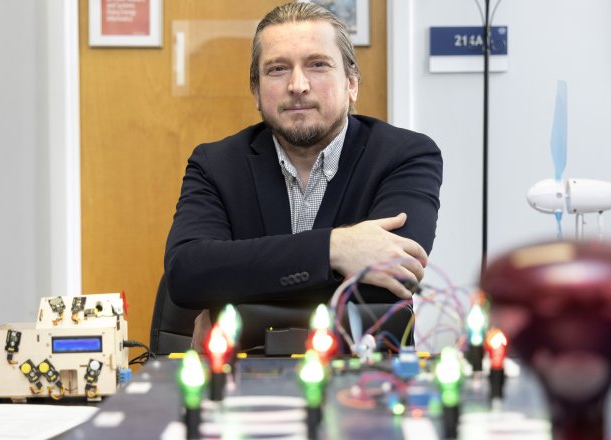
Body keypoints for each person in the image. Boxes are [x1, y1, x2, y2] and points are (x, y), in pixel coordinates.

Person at [163, 1, 443, 351]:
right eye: (278, 69)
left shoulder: (404, 155)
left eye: (317, 65)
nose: (297, 85)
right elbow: (188, 274)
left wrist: (237, 301)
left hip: (365, 372)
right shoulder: (216, 164)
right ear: (256, 91)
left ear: (351, 83)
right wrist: (336, 248)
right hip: (246, 373)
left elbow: (389, 281)